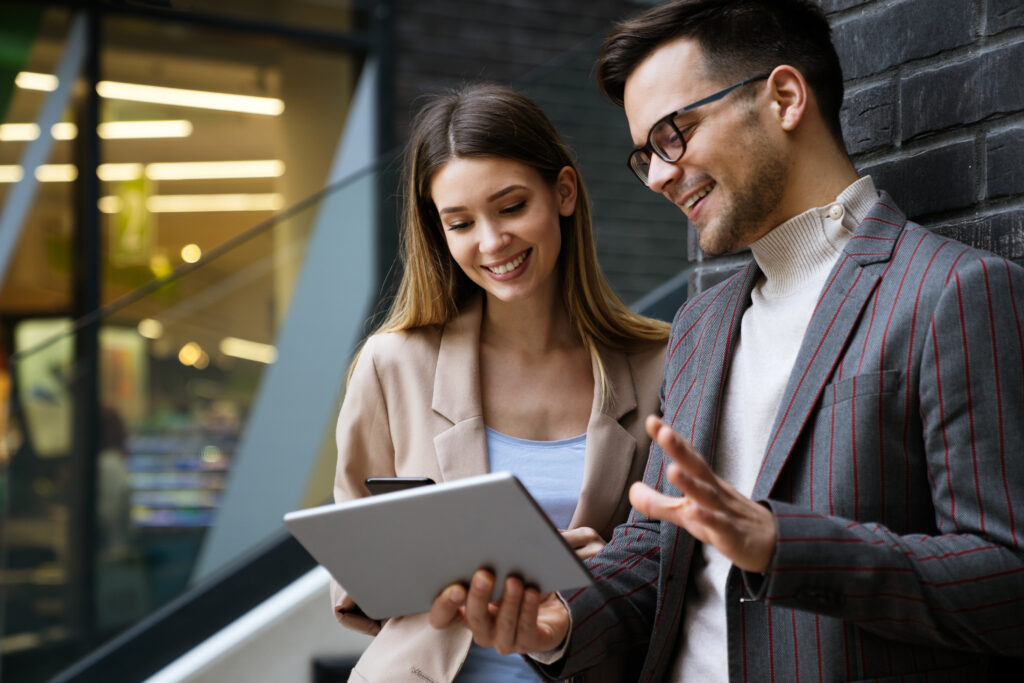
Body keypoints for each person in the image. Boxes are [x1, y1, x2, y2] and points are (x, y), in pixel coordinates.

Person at [427, 1, 1024, 680]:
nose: (656, 175)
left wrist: (782, 543)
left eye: (673, 135)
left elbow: (1009, 579)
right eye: (644, 154)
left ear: (785, 98)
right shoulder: (702, 325)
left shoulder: (952, 291)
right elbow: (655, 547)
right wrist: (561, 619)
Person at [329, 82, 670, 682]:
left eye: (511, 207)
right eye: (460, 223)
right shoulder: (392, 365)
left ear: (563, 192)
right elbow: (356, 579)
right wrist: (464, 574)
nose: (492, 242)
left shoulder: (662, 361)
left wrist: (593, 581)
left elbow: (676, 562)